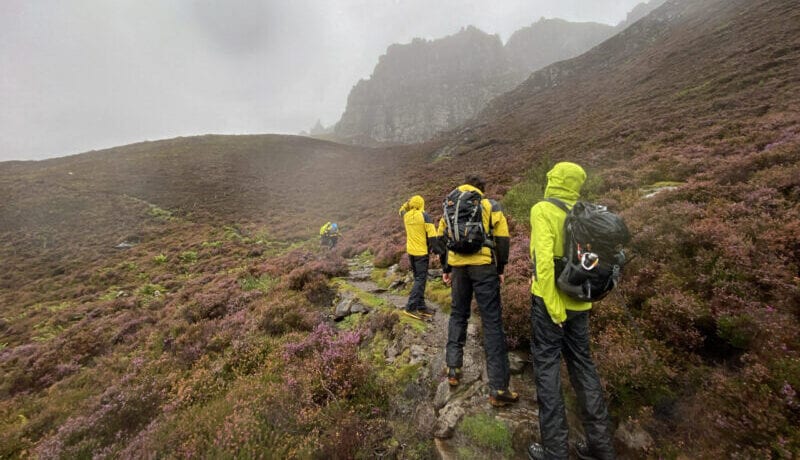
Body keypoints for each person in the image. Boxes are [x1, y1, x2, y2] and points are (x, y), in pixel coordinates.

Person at [527, 162, 616, 460]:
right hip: (581, 302)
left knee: (548, 371)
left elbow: (542, 264)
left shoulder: (543, 210)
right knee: (584, 369)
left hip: (549, 304)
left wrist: (553, 309)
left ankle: (554, 451)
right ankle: (601, 447)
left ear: (555, 180)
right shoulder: (585, 213)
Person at [439, 174, 518, 407]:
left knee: (457, 314)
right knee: (492, 322)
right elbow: (502, 237)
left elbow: (443, 237)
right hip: (484, 267)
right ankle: (499, 387)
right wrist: (501, 267)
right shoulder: (489, 204)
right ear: (482, 189)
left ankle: (453, 369)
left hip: (458, 268)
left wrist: (446, 267)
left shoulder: (450, 204)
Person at [398, 195, 439, 318]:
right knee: (420, 280)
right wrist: (437, 252)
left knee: (418, 279)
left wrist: (407, 203)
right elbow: (433, 236)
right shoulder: (425, 216)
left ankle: (421, 307)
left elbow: (401, 210)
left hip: (411, 252)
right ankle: (411, 307)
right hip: (421, 253)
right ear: (422, 204)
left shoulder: (406, 215)